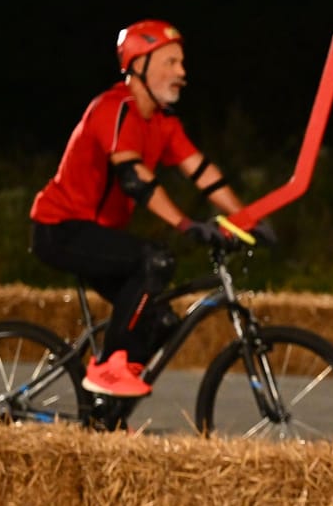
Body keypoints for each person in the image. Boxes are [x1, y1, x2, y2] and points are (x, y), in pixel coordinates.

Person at [28, 19, 272, 397]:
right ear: (139, 64)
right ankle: (108, 367)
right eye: (171, 62)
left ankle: (104, 412)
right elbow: (133, 178)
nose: (182, 73)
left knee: (158, 321)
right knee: (155, 260)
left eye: (182, 63)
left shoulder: (163, 122)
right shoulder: (114, 108)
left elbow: (204, 173)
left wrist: (249, 218)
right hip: (61, 228)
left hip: (99, 233)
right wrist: (186, 224)